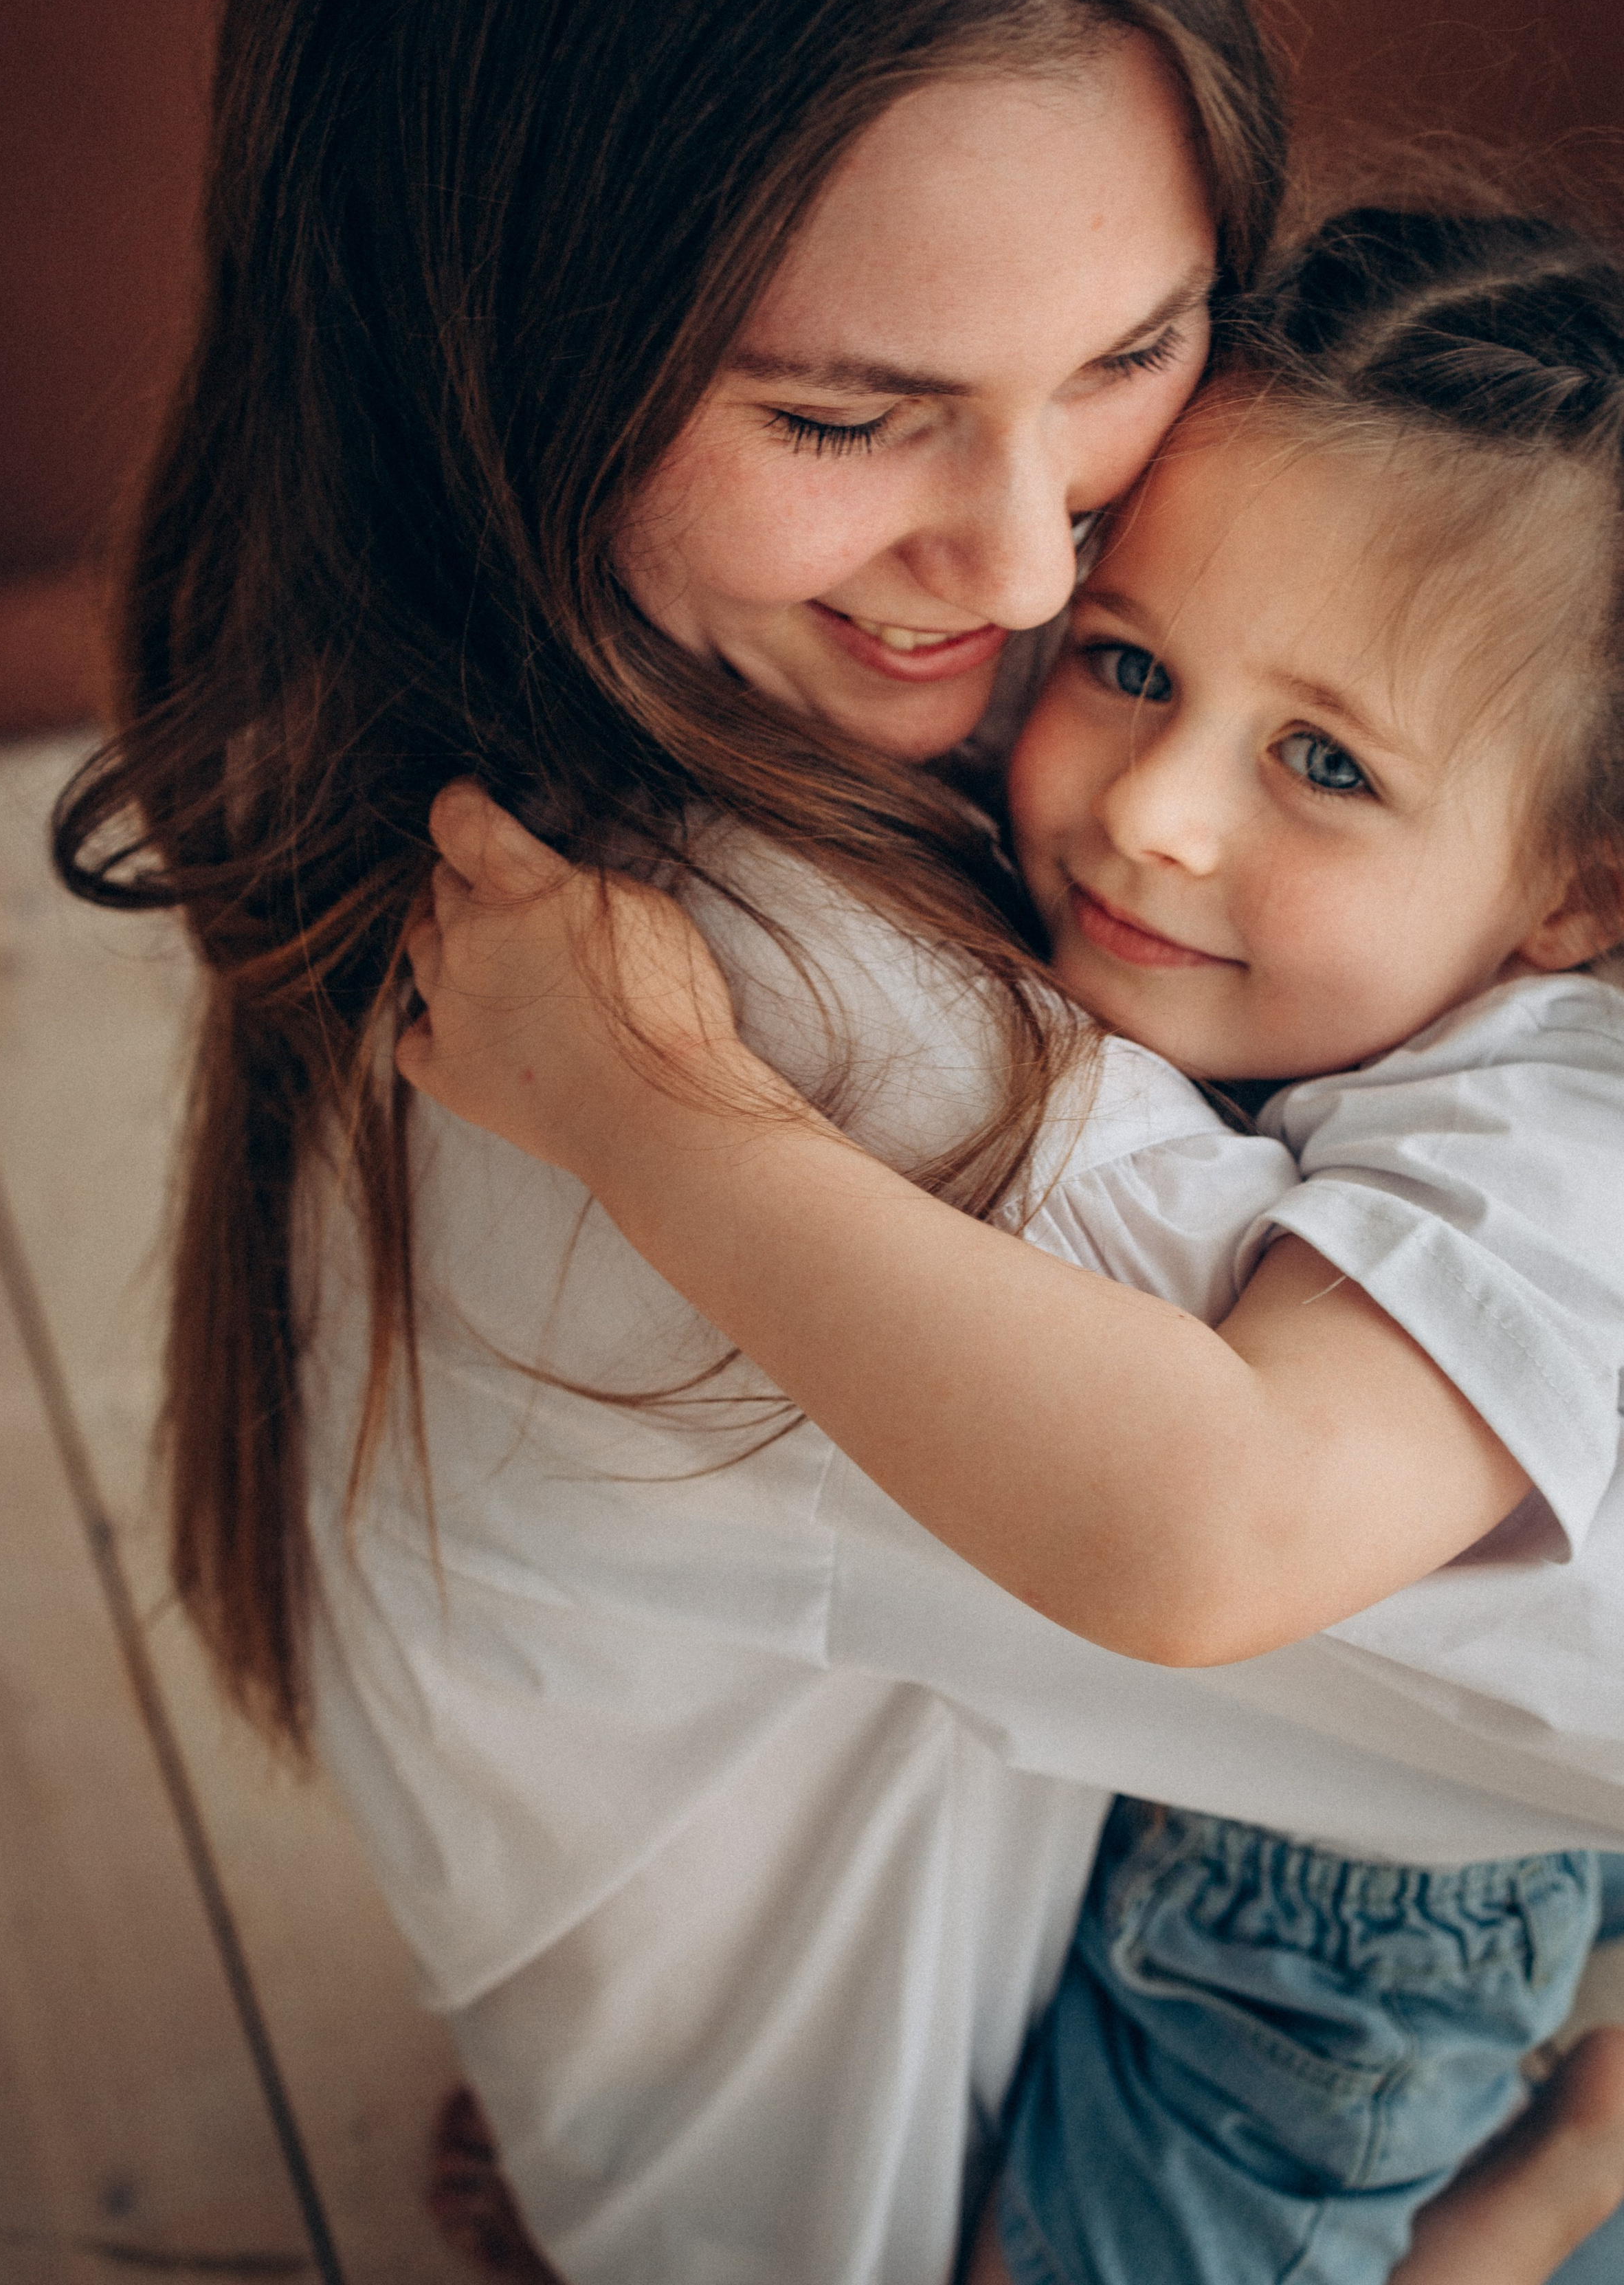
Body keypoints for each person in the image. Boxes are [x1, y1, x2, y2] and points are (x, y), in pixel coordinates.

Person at [50, 0, 1620, 2273]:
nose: (1028, 574)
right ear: (492, 322)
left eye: (1132, 353)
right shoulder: (779, 1033)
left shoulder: (450, 703)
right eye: (838, 415)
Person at [399, 205, 1624, 2283]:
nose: (1153, 810)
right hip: (1247, 1812)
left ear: (1578, 895)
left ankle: (1548, 2192)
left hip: (1361, 1935)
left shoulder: (1565, 1149)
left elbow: (1208, 1531)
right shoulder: (1349, 951)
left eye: (1325, 763)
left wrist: (637, 1100)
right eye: (1131, 664)